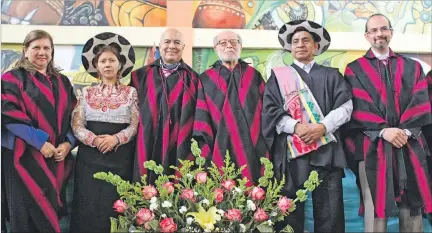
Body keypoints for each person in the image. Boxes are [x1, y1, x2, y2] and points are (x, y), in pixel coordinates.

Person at [343, 14, 432, 232]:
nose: (379, 34)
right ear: (366, 35)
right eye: (373, 30)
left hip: (409, 144)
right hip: (373, 147)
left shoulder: (412, 67)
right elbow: (358, 107)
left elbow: (420, 102)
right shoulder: (354, 69)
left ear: (391, 32)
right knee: (375, 212)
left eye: (383, 29)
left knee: (412, 210)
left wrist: (403, 132)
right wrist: (384, 132)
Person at [262, 20, 353, 232]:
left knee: (330, 213)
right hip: (293, 154)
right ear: (290, 47)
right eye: (295, 41)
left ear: (316, 46)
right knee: (289, 212)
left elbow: (346, 107)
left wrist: (323, 127)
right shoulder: (278, 77)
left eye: (306, 40)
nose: (300, 44)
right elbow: (270, 110)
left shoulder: (332, 75)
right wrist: (296, 126)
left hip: (327, 153)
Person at [1, 29, 77, 232]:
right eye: (36, 47)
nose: (41, 52)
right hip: (22, 159)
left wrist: (68, 143)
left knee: (50, 213)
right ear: (25, 51)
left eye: (46, 48)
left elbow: (74, 117)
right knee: (23, 216)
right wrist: (39, 142)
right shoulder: (11, 79)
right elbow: (8, 115)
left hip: (55, 159)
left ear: (52, 52)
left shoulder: (62, 82)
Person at [69, 32, 138, 232]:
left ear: (120, 65)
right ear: (96, 66)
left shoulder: (131, 93)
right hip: (89, 158)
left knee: (115, 206)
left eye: (112, 60)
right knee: (88, 205)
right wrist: (94, 140)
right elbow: (77, 125)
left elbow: (135, 125)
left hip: (120, 156)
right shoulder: (86, 93)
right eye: (103, 61)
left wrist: (116, 139)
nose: (107, 64)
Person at [192, 30, 269, 184]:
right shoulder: (206, 79)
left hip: (252, 147)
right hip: (217, 147)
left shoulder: (254, 76)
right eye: (223, 42)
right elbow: (202, 117)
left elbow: (265, 112)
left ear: (240, 46)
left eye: (234, 42)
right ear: (215, 48)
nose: (229, 46)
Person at [130, 28, 199, 183]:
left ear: (183, 47)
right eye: (167, 42)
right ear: (159, 45)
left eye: (177, 42)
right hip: (146, 140)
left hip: (179, 144)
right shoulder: (139, 76)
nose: (171, 46)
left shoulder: (194, 80)